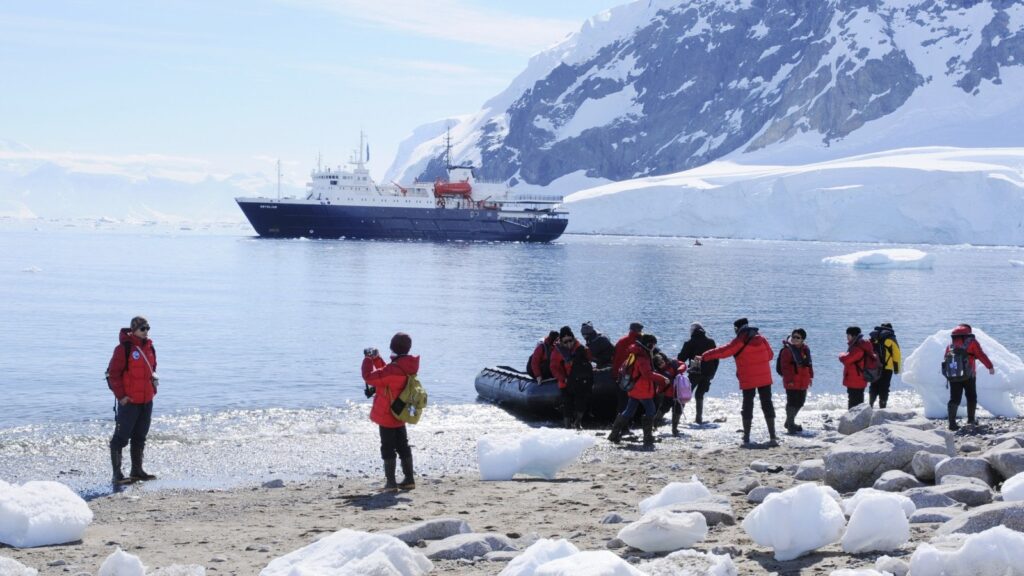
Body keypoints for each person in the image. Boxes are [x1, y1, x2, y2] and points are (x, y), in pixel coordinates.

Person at [698, 318, 777, 447]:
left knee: (747, 405)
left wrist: (705, 356)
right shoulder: (762, 339)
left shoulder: (740, 340)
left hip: (748, 378)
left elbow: (723, 351)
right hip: (764, 378)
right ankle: (773, 436)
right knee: (767, 403)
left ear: (736, 328)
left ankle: (746, 437)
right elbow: (770, 355)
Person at [362, 332, 418, 492]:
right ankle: (409, 479)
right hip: (400, 412)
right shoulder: (407, 366)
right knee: (403, 445)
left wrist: (367, 359)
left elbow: (369, 377)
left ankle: (391, 483)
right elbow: (387, 372)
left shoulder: (394, 369)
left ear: (393, 347)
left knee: (387, 447)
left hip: (387, 414)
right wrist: (377, 359)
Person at [106, 316, 159, 484]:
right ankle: (117, 475)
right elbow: (112, 374)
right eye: (142, 328)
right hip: (129, 402)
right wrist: (121, 396)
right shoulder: (123, 349)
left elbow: (152, 370)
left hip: (146, 400)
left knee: (140, 436)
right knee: (120, 438)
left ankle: (137, 470)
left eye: (147, 328)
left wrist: (153, 390)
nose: (146, 331)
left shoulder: (150, 347)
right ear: (134, 329)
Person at [607, 333, 667, 448]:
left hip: (634, 388)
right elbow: (647, 374)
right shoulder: (643, 357)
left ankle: (613, 435)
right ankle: (648, 437)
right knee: (651, 410)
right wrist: (662, 378)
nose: (654, 348)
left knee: (628, 411)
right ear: (649, 345)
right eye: (653, 345)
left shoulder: (636, 353)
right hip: (642, 390)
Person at [943, 324, 995, 430]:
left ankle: (952, 423)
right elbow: (980, 354)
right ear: (968, 332)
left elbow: (946, 359)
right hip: (969, 375)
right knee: (971, 396)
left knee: (954, 398)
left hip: (954, 376)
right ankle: (971, 420)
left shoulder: (951, 344)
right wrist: (990, 366)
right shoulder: (971, 342)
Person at [550, 326, 594, 429]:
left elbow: (589, 359)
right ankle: (567, 426)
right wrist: (563, 378)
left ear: (573, 338)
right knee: (567, 403)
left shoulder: (580, 348)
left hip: (579, 380)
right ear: (561, 341)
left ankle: (578, 422)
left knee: (581, 402)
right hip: (565, 381)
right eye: (565, 342)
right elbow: (554, 367)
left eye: (570, 340)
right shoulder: (557, 352)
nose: (569, 344)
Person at [678, 322, 719, 425]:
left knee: (685, 395)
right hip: (709, 372)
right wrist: (713, 372)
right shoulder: (711, 341)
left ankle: (677, 419)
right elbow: (716, 359)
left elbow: (681, 358)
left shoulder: (689, 343)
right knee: (700, 394)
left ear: (692, 331)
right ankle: (699, 419)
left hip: (695, 372)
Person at [778, 329, 813, 434]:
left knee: (801, 402)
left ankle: (789, 422)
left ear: (803, 339)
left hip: (803, 380)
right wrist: (789, 380)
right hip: (792, 381)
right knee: (792, 402)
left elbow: (809, 364)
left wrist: (810, 377)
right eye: (793, 337)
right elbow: (785, 368)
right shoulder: (787, 350)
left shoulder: (805, 349)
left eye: (798, 337)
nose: (794, 339)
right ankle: (791, 425)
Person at [612, 322, 644, 418]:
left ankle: (620, 425)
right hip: (634, 376)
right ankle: (628, 423)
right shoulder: (641, 342)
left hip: (621, 374)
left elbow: (615, 358)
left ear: (630, 330)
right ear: (640, 331)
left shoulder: (621, 341)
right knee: (634, 400)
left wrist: (615, 374)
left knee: (622, 401)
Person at [839, 326, 874, 409]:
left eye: (848, 335)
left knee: (853, 403)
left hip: (855, 380)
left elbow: (846, 359)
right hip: (860, 379)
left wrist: (841, 354)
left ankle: (853, 420)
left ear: (853, 336)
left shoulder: (857, 348)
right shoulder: (861, 345)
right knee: (858, 401)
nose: (847, 337)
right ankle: (859, 419)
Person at [868, 323, 901, 408]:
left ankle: (870, 405)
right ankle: (882, 407)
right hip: (887, 367)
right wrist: (897, 369)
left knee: (874, 385)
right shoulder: (891, 338)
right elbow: (896, 354)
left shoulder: (874, 337)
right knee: (884, 387)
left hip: (874, 367)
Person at [653, 351, 684, 436]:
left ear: (664, 360)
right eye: (659, 364)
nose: (661, 364)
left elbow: (684, 365)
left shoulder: (673, 363)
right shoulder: (658, 373)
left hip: (680, 393)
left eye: (662, 362)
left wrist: (679, 370)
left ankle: (674, 429)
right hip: (668, 394)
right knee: (663, 409)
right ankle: (654, 425)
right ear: (656, 366)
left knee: (678, 411)